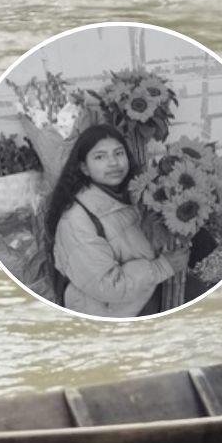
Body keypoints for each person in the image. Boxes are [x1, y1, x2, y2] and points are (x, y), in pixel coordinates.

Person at [45, 124, 188, 317]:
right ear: (84, 168)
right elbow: (108, 286)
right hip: (109, 316)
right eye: (100, 157)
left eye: (119, 153)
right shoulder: (76, 220)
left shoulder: (132, 195)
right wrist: (163, 266)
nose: (113, 163)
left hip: (142, 299)